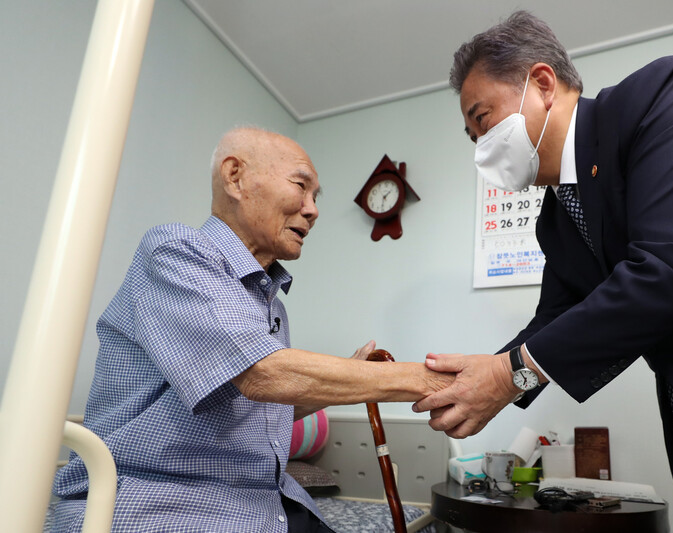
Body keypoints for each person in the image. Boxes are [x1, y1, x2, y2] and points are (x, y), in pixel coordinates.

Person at [412, 11, 673, 532]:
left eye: (482, 120)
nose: (480, 145)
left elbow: (671, 270)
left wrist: (508, 375)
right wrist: (478, 378)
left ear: (542, 83)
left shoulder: (660, 99)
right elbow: (554, 320)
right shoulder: (556, 221)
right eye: (471, 135)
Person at [51, 127, 453, 532]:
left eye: (317, 198)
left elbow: (262, 405)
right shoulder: (174, 252)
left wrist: (351, 374)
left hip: (261, 502)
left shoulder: (272, 304)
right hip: (162, 502)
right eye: (301, 186)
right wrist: (428, 380)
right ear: (235, 177)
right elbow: (263, 375)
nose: (313, 210)